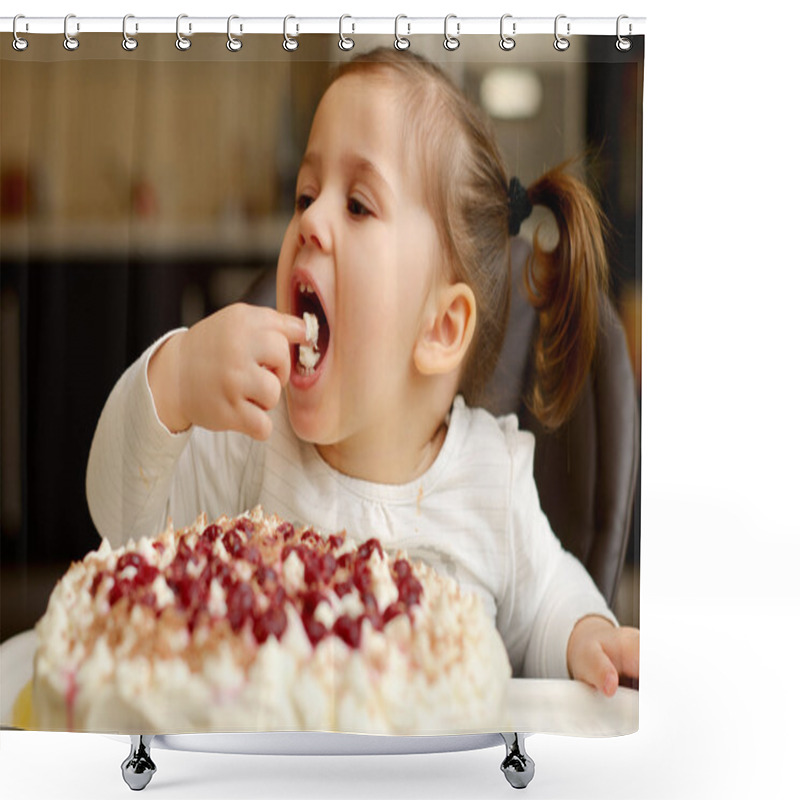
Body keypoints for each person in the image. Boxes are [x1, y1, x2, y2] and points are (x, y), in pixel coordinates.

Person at [87, 48, 638, 698]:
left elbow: (547, 599)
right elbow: (120, 520)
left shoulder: (492, 483)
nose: (310, 222)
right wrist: (173, 382)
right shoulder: (252, 440)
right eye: (306, 194)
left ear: (440, 329)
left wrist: (586, 636)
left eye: (357, 205)